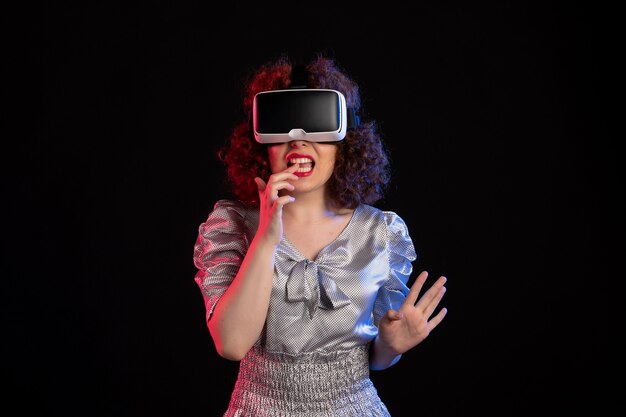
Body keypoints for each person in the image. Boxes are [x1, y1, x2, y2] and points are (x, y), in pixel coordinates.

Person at [193, 54, 448, 416]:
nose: (299, 140)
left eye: (315, 123)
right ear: (261, 144)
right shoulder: (232, 226)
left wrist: (391, 346)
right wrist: (267, 235)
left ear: (345, 140)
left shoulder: (382, 234)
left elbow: (375, 358)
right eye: (282, 125)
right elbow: (232, 344)